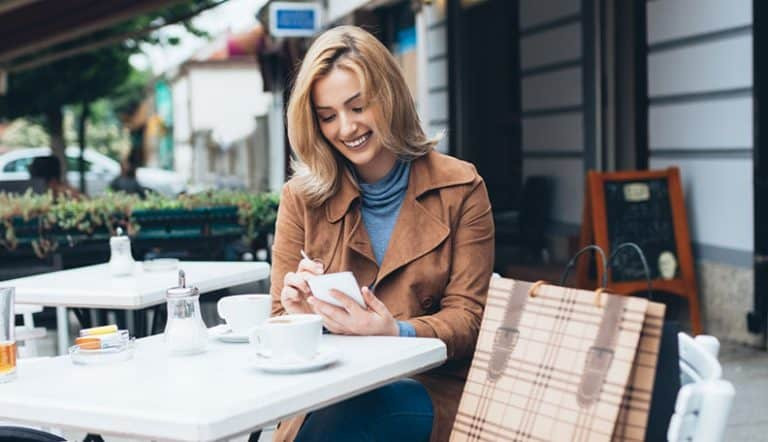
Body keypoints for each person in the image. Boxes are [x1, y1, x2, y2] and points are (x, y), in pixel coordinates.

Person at [270, 26, 494, 442]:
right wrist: (302, 318)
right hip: (331, 387)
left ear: (388, 96)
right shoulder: (301, 198)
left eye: (358, 106)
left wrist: (395, 333)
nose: (346, 127)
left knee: (372, 408)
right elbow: (279, 320)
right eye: (328, 116)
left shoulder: (461, 188)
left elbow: (470, 320)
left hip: (429, 385)